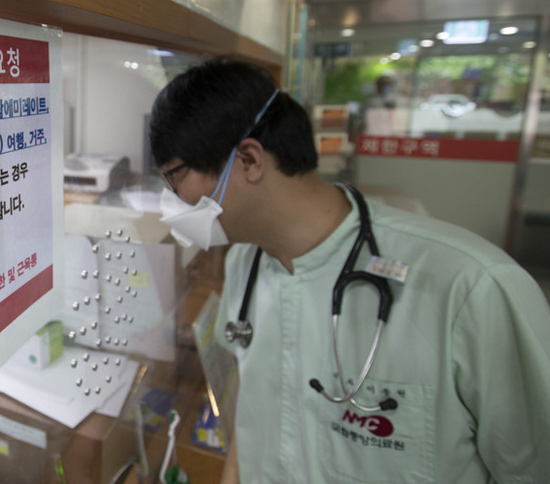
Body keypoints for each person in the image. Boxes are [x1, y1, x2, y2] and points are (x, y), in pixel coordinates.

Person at [149, 59, 550, 484]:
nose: (170, 202)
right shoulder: (244, 264)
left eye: (175, 178)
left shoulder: (472, 289)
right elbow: (251, 433)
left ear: (249, 159)